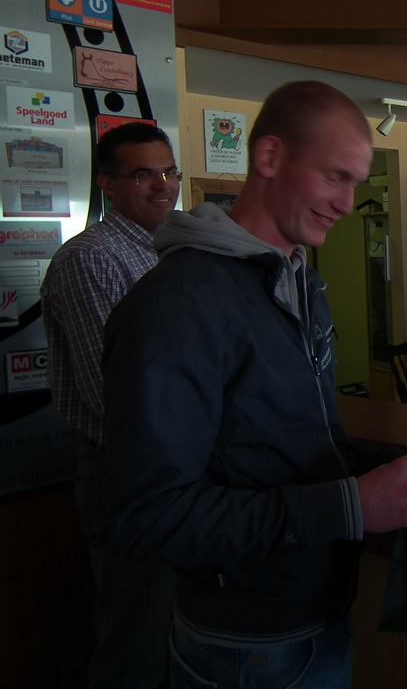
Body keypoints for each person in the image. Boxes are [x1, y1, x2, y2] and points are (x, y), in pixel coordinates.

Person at [100, 81, 407, 689]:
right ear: (269, 157)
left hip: (318, 620)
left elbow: (297, 442)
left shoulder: (297, 283)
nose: (347, 204)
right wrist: (351, 506)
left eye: (355, 184)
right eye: (334, 177)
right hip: (246, 654)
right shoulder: (177, 305)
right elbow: (149, 516)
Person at [40, 121, 180, 689]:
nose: (163, 186)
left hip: (180, 465)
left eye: (169, 172)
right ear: (108, 185)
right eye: (144, 175)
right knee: (137, 643)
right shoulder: (91, 259)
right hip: (127, 471)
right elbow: (114, 396)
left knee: (178, 635)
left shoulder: (171, 254)